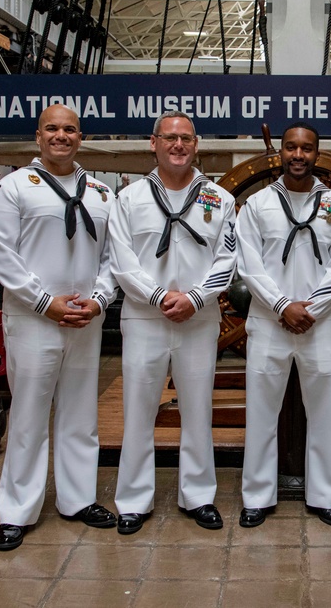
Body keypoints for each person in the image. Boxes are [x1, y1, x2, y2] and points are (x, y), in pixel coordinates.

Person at [0, 104, 118, 551]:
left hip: (84, 317)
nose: (61, 136)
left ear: (81, 137)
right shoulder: (13, 188)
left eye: (70, 130)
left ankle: (77, 500)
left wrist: (99, 300)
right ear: (38, 136)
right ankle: (17, 511)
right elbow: (1, 255)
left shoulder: (101, 193)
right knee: (28, 415)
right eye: (52, 129)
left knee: (81, 413)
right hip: (33, 317)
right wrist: (45, 302)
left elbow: (113, 259)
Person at [109, 110, 236, 534]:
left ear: (196, 144)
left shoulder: (219, 198)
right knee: (138, 410)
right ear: (154, 143)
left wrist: (196, 297)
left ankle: (198, 495)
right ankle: (132, 500)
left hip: (199, 318)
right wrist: (161, 296)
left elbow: (228, 258)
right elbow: (121, 261)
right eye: (170, 137)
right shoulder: (129, 199)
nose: (178, 145)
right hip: (145, 316)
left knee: (197, 409)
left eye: (186, 138)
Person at [235, 122, 331, 529]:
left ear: (317, 155)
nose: (298, 155)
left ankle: (325, 496)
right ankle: (256, 496)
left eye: (306, 149)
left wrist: (311, 310)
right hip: (268, 322)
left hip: (321, 324)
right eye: (291, 147)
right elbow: (248, 265)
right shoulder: (257, 205)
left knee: (323, 412)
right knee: (262, 412)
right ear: (280, 152)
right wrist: (284, 305)